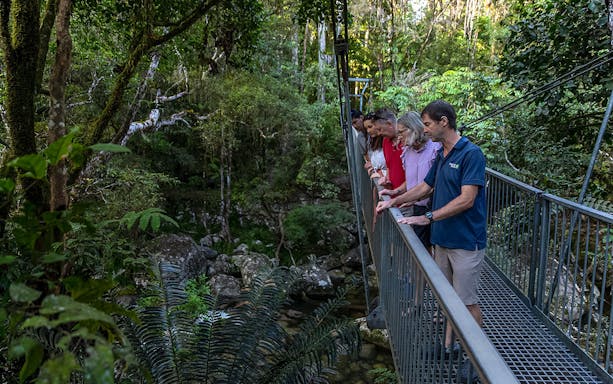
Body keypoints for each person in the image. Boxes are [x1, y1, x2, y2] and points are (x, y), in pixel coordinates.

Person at [376, 100, 486, 382]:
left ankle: (476, 359)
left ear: (443, 122)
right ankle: (448, 346)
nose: (424, 130)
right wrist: (394, 202)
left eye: (427, 124)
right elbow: (426, 186)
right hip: (442, 238)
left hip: (464, 241)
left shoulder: (471, 153)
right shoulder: (442, 154)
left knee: (466, 302)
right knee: (447, 297)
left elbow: (467, 198)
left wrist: (429, 216)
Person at [378, 111, 440, 250]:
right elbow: (411, 180)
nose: (399, 137)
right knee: (421, 248)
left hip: (435, 207)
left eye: (401, 132)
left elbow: (433, 184)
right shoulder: (407, 151)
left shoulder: (436, 149)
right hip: (417, 206)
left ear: (414, 129)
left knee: (435, 249)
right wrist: (397, 191)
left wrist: (397, 200)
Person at [372, 108, 405, 190]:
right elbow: (389, 166)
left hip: (409, 197)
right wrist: (387, 179)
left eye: (380, 129)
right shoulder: (385, 141)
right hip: (394, 197)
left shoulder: (407, 141)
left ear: (389, 123)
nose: (379, 133)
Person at [362, 112, 386, 179]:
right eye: (366, 128)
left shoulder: (387, 140)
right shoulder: (372, 142)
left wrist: (382, 173)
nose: (368, 131)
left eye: (370, 127)